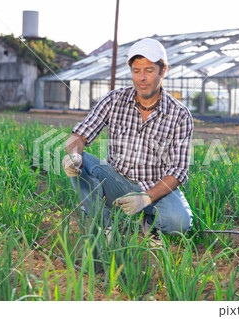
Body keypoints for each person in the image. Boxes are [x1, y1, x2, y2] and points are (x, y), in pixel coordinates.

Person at [63, 38, 193, 236]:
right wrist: (73, 156)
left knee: (179, 223)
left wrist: (146, 197)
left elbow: (179, 171)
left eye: (149, 70)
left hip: (154, 188)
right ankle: (104, 226)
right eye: (136, 71)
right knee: (81, 164)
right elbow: (79, 136)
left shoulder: (180, 114)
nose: (141, 77)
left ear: (162, 71)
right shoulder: (114, 100)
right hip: (116, 180)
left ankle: (147, 220)